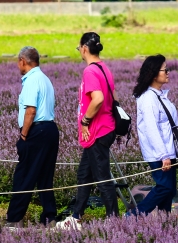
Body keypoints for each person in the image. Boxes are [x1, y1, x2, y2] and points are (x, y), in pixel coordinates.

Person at [57, 32, 119, 231]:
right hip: (105, 129)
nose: (79, 52)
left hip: (97, 131)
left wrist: (85, 121)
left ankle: (113, 220)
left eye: (79, 48)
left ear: (84, 48)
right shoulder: (104, 68)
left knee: (102, 177)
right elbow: (114, 97)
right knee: (84, 174)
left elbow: (98, 99)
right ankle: (76, 217)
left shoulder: (90, 71)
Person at [5, 46, 60, 228]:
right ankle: (49, 218)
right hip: (50, 130)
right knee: (45, 177)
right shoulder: (45, 79)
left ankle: (14, 219)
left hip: (36, 131)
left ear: (23, 61)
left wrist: (23, 135)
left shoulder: (31, 80)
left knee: (24, 175)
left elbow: (31, 110)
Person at [128, 54, 178, 216]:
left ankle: (165, 223)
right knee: (164, 187)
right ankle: (133, 216)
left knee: (169, 191)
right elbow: (151, 128)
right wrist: (163, 155)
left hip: (168, 151)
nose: (168, 73)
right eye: (165, 70)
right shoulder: (148, 98)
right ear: (154, 73)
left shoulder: (159, 95)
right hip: (159, 154)